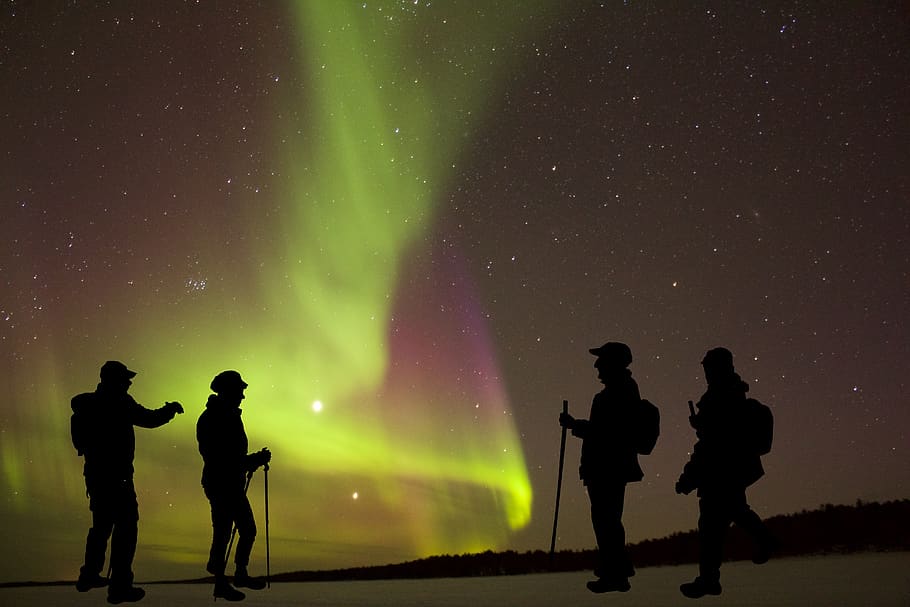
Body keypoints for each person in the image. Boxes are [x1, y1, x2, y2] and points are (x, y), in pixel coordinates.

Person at [71, 360, 184, 604]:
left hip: (95, 477)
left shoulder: (88, 405)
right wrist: (170, 410)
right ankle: (119, 586)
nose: (129, 383)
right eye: (125, 379)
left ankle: (90, 574)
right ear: (113, 380)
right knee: (127, 529)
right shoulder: (120, 403)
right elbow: (148, 419)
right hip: (118, 478)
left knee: (101, 527)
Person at [676, 347, 776, 599]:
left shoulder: (719, 398)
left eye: (709, 367)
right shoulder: (731, 394)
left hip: (721, 471)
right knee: (729, 514)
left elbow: (710, 445)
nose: (707, 373)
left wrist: (689, 477)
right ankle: (711, 577)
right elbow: (715, 438)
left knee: (713, 524)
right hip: (732, 470)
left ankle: (710, 578)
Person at [559, 342, 650, 593]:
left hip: (609, 468)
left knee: (606, 520)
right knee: (607, 520)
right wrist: (576, 425)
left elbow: (606, 433)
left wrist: (575, 425)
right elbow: (604, 431)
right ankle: (617, 568)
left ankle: (616, 572)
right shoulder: (617, 391)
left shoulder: (619, 392)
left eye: (602, 360)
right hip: (607, 468)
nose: (597, 365)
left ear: (614, 363)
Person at [196, 370, 271, 602]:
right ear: (229, 390)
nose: (243, 396)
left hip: (230, 482)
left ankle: (238, 573)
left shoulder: (227, 415)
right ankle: (221, 580)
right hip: (221, 484)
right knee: (224, 533)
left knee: (244, 529)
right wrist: (252, 461)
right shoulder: (213, 418)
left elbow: (232, 456)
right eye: (240, 391)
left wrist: (250, 461)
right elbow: (220, 457)